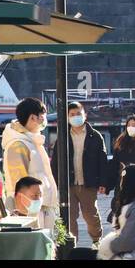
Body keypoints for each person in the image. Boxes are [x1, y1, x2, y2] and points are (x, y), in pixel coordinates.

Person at [49, 101, 108, 242]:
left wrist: (103, 182)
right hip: (68, 184)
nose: (76, 117)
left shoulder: (95, 136)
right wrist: (55, 182)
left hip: (88, 182)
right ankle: (71, 245)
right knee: (69, 216)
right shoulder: (63, 136)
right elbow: (56, 161)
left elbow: (102, 160)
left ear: (85, 115)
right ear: (68, 117)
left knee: (90, 215)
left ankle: (96, 241)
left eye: (78, 114)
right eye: (72, 114)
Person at [1, 97, 58, 230]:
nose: (44, 120)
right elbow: (19, 183)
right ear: (33, 117)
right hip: (30, 210)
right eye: (42, 116)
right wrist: (28, 208)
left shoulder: (32, 141)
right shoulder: (18, 145)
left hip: (39, 205)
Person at [104, 114, 135, 221]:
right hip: (123, 184)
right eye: (129, 125)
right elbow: (114, 166)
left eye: (134, 125)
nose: (131, 127)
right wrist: (107, 185)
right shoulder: (121, 143)